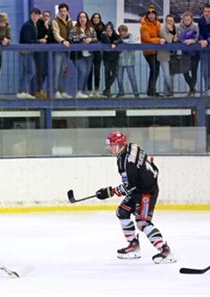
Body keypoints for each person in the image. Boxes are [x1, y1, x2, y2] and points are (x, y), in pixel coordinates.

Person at [95, 131, 176, 264]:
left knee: (142, 223)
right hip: (139, 189)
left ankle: (165, 250)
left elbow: (129, 186)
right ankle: (133, 245)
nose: (110, 148)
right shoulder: (131, 147)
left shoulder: (127, 162)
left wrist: (109, 192)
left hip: (146, 192)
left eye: (112, 145)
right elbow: (147, 167)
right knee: (122, 212)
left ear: (120, 145)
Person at [69, 11, 97, 98]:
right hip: (78, 55)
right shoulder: (74, 29)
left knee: (87, 74)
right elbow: (70, 38)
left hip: (89, 55)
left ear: (87, 18)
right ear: (78, 19)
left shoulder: (91, 29)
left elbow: (96, 38)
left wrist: (91, 40)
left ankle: (82, 91)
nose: (82, 19)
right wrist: (79, 38)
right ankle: (78, 91)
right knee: (82, 71)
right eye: (80, 17)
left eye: (84, 17)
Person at [141, 3, 164, 97]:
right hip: (148, 51)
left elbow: (161, 34)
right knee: (154, 69)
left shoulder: (158, 24)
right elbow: (147, 39)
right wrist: (158, 40)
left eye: (153, 14)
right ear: (147, 15)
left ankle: (151, 90)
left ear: (155, 15)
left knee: (156, 70)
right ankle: (151, 90)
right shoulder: (144, 26)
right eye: (149, 14)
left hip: (156, 51)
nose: (151, 16)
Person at [51, 3, 73, 99]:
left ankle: (63, 91)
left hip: (66, 50)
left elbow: (72, 33)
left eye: (64, 11)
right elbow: (56, 34)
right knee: (57, 71)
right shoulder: (55, 21)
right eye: (61, 11)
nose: (63, 13)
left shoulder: (70, 21)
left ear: (67, 11)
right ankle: (56, 91)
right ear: (59, 11)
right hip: (58, 49)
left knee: (64, 71)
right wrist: (63, 41)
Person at [158, 14, 179, 97]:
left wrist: (175, 37)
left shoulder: (176, 28)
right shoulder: (162, 29)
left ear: (174, 22)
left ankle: (167, 93)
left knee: (171, 75)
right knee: (166, 75)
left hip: (173, 54)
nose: (169, 22)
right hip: (163, 55)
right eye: (168, 20)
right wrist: (171, 32)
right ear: (165, 21)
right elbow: (168, 40)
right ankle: (171, 89)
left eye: (171, 20)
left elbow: (178, 38)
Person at [179, 10, 199, 97]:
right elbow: (180, 37)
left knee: (194, 72)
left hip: (194, 53)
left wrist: (192, 41)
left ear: (191, 19)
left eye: (188, 19)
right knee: (185, 72)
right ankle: (192, 89)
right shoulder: (180, 26)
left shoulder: (195, 26)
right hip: (185, 53)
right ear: (183, 19)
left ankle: (191, 91)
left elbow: (197, 37)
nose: (186, 21)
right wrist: (184, 41)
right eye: (185, 19)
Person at [115, 25, 139, 97]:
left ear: (126, 31)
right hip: (120, 60)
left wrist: (122, 41)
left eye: (123, 31)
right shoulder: (117, 37)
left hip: (129, 61)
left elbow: (132, 41)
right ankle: (121, 92)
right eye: (120, 31)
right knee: (119, 77)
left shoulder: (129, 36)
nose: (122, 33)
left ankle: (136, 93)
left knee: (132, 77)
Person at [198, 4, 210, 97]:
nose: (206, 13)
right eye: (205, 11)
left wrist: (208, 41)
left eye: (208, 12)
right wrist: (201, 39)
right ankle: (207, 88)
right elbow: (200, 34)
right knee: (205, 69)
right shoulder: (200, 21)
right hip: (204, 49)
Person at [35, 10, 53, 99]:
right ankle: (39, 89)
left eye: (48, 16)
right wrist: (44, 33)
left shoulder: (49, 25)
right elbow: (39, 35)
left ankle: (40, 88)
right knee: (40, 70)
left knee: (46, 71)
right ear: (42, 16)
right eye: (45, 16)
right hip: (39, 50)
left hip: (47, 51)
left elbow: (50, 37)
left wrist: (47, 28)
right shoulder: (38, 24)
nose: (46, 17)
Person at [101, 21, 120, 97]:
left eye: (110, 28)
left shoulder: (115, 34)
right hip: (106, 57)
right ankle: (108, 90)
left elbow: (119, 39)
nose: (109, 30)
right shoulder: (103, 35)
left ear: (112, 28)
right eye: (107, 28)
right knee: (107, 74)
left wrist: (115, 42)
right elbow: (108, 42)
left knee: (115, 73)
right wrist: (107, 35)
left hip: (114, 57)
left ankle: (106, 88)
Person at [88, 12, 104, 97]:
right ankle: (90, 90)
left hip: (98, 52)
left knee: (97, 72)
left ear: (100, 19)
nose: (96, 19)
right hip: (90, 52)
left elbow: (106, 38)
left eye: (97, 17)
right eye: (94, 17)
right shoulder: (88, 27)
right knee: (90, 72)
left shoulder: (103, 27)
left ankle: (97, 90)